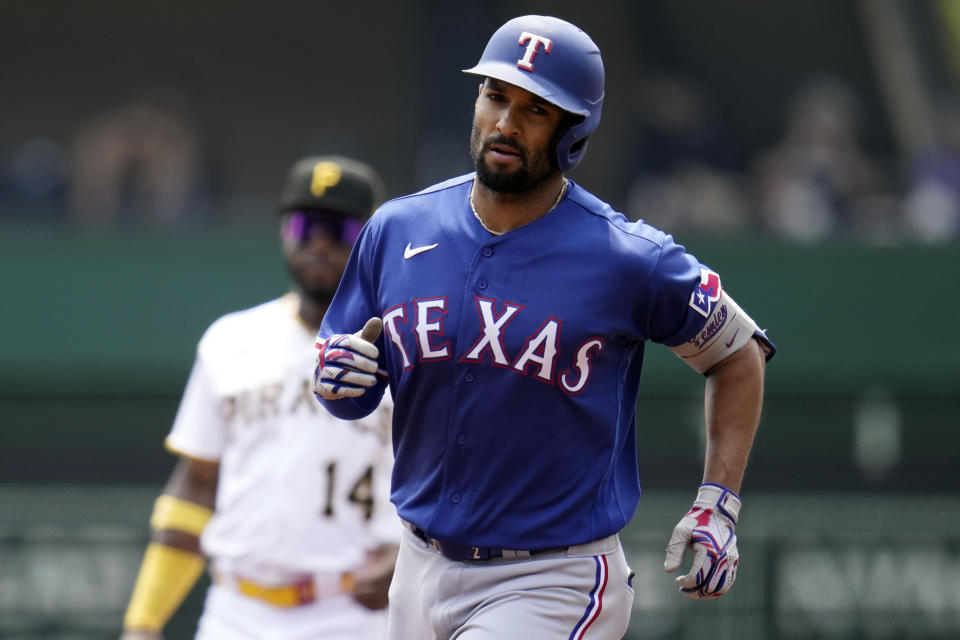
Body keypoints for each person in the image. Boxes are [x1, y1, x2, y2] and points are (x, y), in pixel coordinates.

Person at [313, 15, 775, 639]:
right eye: (495, 96)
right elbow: (345, 380)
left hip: (549, 579)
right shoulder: (396, 229)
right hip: (417, 565)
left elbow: (737, 353)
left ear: (572, 131)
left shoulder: (629, 257)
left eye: (536, 109)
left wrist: (719, 501)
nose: (505, 123)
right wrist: (336, 379)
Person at [120, 155, 400, 639]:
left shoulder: (412, 347)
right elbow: (197, 483)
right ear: (282, 233)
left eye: (340, 229)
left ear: (372, 240)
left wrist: (416, 558)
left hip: (355, 613)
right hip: (236, 611)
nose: (319, 242)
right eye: (305, 224)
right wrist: (143, 622)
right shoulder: (231, 339)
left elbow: (458, 480)